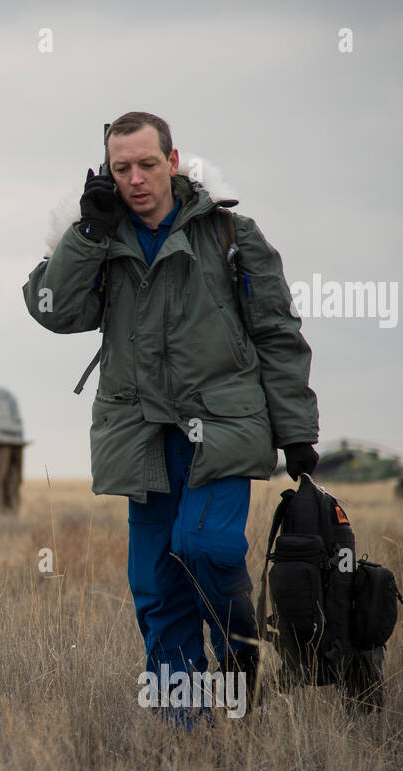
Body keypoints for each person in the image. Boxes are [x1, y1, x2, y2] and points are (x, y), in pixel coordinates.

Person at [22, 111, 320, 723]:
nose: (135, 179)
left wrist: (297, 431)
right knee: (157, 585)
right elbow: (54, 309)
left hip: (222, 428)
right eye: (121, 167)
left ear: (174, 160)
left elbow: (277, 333)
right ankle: (183, 729)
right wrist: (86, 233)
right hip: (142, 436)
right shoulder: (97, 239)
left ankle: (244, 657)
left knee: (203, 546)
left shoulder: (230, 235)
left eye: (147, 164)